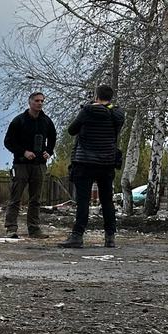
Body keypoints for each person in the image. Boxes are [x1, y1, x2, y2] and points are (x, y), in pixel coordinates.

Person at [60, 85, 126, 248]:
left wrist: (88, 109)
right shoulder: (117, 114)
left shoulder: (87, 111)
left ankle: (77, 236)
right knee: (107, 200)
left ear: (96, 96)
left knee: (83, 201)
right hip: (107, 162)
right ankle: (110, 237)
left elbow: (71, 130)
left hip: (85, 162)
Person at [2, 92, 57, 239]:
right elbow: (8, 142)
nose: (40, 103)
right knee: (15, 197)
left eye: (42, 101)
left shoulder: (46, 121)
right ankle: (11, 228)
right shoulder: (19, 121)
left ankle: (34, 229)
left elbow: (53, 138)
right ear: (30, 102)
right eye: (37, 101)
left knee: (36, 199)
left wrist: (48, 152)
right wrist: (23, 152)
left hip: (39, 165)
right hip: (21, 164)